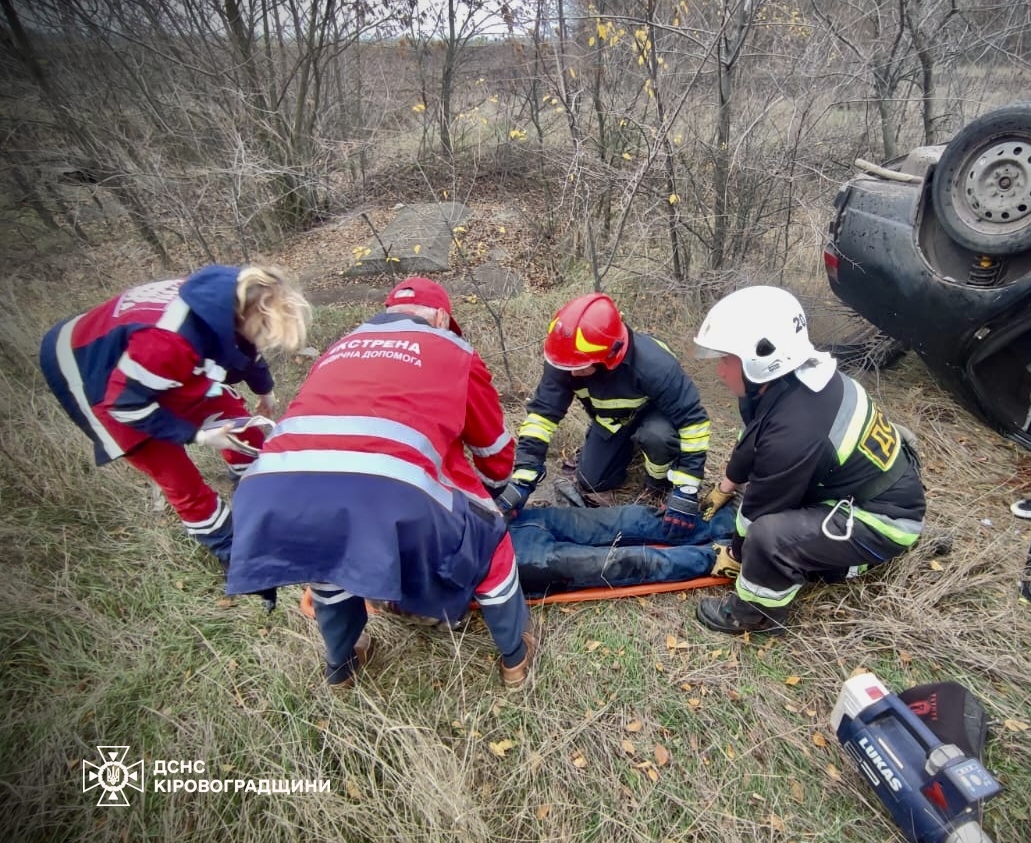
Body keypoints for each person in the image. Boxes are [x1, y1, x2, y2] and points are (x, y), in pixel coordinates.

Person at [225, 277, 535, 689]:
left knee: (325, 557)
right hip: (387, 490)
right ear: (443, 317)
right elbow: (493, 448)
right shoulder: (454, 350)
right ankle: (516, 656)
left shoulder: (340, 346)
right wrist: (497, 494)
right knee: (491, 541)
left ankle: (342, 667)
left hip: (272, 488)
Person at [690, 285, 926, 635]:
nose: (720, 371)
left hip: (885, 520)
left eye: (726, 359)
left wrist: (738, 555)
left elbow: (759, 512)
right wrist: (726, 485)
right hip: (854, 485)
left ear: (762, 358)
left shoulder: (794, 431)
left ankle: (755, 614)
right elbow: (752, 441)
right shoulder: (787, 383)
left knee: (768, 537)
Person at [39, 265, 310, 566]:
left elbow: (248, 347)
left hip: (146, 359)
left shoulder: (236, 297)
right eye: (264, 330)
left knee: (232, 415)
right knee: (172, 468)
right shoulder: (169, 341)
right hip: (90, 369)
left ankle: (254, 486)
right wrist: (199, 435)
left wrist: (265, 390)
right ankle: (231, 550)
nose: (264, 339)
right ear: (245, 315)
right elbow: (125, 405)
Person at [498, 292, 711, 537]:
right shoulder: (566, 357)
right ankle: (620, 450)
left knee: (657, 437)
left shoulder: (654, 365)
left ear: (609, 356)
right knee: (593, 481)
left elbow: (693, 421)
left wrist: (686, 488)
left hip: (657, 415)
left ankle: (657, 482)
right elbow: (542, 416)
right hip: (613, 420)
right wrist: (524, 476)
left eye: (579, 367)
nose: (572, 374)